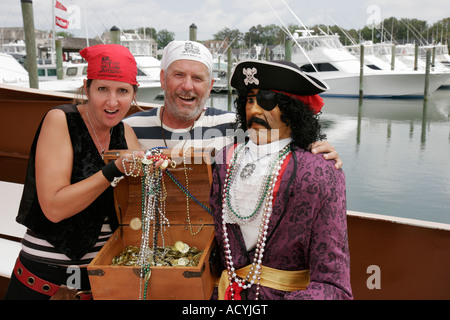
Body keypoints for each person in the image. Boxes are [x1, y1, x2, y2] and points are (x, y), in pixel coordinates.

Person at [5, 44, 141, 300]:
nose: (112, 101)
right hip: (44, 280)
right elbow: (54, 209)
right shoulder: (60, 120)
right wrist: (112, 171)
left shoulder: (126, 133)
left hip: (101, 281)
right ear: (86, 87)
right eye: (102, 89)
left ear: (134, 93)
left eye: (122, 90)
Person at [209, 60, 352, 300]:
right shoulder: (225, 158)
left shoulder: (321, 171)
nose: (254, 110)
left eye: (266, 100)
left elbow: (334, 286)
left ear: (293, 108)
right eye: (250, 100)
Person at [123, 40, 342, 168]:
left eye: (198, 78)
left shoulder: (236, 126)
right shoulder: (128, 128)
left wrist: (319, 151)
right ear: (162, 79)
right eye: (178, 75)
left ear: (210, 86)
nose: (188, 86)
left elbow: (282, 141)